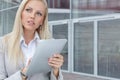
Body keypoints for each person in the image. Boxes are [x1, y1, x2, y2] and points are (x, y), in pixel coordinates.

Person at [0, 0, 64, 80]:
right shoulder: (3, 43)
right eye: (28, 10)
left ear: (42, 21)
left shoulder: (50, 43)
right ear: (21, 13)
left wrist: (56, 70)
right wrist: (23, 73)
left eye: (38, 13)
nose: (32, 16)